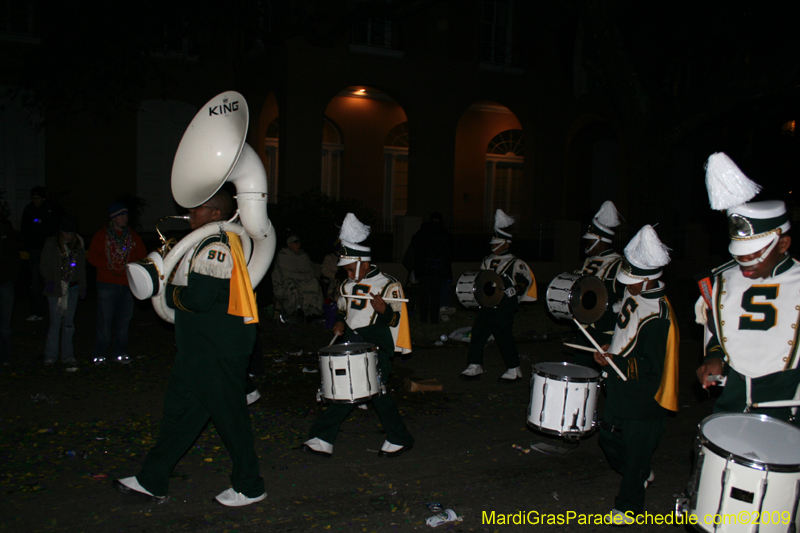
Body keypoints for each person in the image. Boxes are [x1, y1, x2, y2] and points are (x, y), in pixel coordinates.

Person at [113, 189, 267, 507]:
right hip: (198, 348)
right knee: (179, 414)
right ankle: (151, 480)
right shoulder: (202, 243)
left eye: (198, 210)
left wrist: (162, 288)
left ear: (215, 214)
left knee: (230, 419)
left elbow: (197, 299)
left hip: (218, 349)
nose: (190, 214)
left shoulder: (218, 246)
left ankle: (250, 486)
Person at [696, 153, 799, 423]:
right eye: (739, 257)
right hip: (732, 403)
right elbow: (717, 332)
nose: (745, 267)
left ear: (784, 245)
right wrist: (714, 358)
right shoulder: (718, 281)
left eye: (754, 257)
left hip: (788, 410)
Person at [301, 213, 414, 459]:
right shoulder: (346, 285)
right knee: (347, 389)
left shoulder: (388, 285)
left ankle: (399, 437)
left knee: (375, 391)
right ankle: (323, 438)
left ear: (364, 262)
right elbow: (343, 307)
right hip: (351, 341)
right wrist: (340, 322)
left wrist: (383, 311)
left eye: (352, 269)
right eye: (347, 270)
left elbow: (396, 320)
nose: (349, 275)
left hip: (377, 344)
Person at [592, 224, 679, 524]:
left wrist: (614, 360)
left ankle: (629, 507)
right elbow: (624, 334)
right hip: (620, 386)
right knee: (608, 439)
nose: (626, 285)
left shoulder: (660, 316)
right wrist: (608, 347)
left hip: (645, 399)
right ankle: (639, 471)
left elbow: (653, 366)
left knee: (637, 448)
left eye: (631, 281)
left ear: (647, 280)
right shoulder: (636, 296)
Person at [460, 209, 537, 383]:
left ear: (506, 243)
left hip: (505, 304)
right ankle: (474, 364)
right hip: (487, 303)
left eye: (497, 243)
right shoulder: (487, 260)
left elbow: (526, 280)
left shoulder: (516, 262)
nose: (493, 246)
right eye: (493, 243)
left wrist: (516, 289)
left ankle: (514, 368)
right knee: (478, 333)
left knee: (503, 335)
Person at [87, 202, 146, 365]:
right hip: (107, 283)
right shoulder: (101, 236)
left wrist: (134, 268)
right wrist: (109, 264)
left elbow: (142, 256)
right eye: (122, 215)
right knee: (105, 322)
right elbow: (92, 256)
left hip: (127, 285)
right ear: (114, 218)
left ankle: (120, 352)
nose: (125, 218)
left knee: (124, 321)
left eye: (126, 215)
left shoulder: (133, 236)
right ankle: (100, 353)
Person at [573, 201, 625, 367]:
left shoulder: (619, 264)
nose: (587, 246)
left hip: (605, 330)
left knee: (605, 375)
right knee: (580, 372)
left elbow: (624, 298)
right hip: (585, 327)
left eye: (590, 242)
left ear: (601, 242)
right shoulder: (590, 261)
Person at [40, 215, 86, 366]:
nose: (69, 237)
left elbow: (81, 268)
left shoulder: (78, 244)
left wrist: (82, 286)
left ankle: (67, 355)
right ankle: (51, 355)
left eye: (71, 234)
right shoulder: (51, 243)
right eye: (66, 233)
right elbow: (44, 264)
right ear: (61, 232)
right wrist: (50, 280)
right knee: (55, 323)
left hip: (72, 287)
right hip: (56, 288)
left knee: (68, 323)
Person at [403, 212, 452, 324]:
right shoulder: (444, 233)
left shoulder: (422, 232)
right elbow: (450, 252)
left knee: (424, 294)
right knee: (436, 294)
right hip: (438, 268)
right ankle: (434, 319)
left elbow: (414, 244)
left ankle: (423, 319)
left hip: (424, 268)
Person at [20, 186, 60, 321]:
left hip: (49, 251)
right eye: (34, 198)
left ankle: (54, 310)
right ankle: (37, 312)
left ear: (43, 198)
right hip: (35, 251)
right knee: (36, 281)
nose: (35, 201)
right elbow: (25, 229)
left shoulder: (50, 209)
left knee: (51, 278)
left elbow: (53, 227)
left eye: (38, 198)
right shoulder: (29, 210)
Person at [271, 235, 323, 322]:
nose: (298, 245)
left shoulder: (303, 256)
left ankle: (312, 311)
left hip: (303, 281)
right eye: (295, 243)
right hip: (285, 283)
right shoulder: (283, 256)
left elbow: (311, 271)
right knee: (291, 284)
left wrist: (306, 277)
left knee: (314, 283)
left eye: (299, 243)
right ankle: (297, 310)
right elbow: (285, 274)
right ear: (289, 245)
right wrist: (301, 277)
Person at [0, 213, 20, 365]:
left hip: (5, 282)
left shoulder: (6, 228)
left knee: (5, 325)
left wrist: (11, 277)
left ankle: (6, 357)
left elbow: (14, 254)